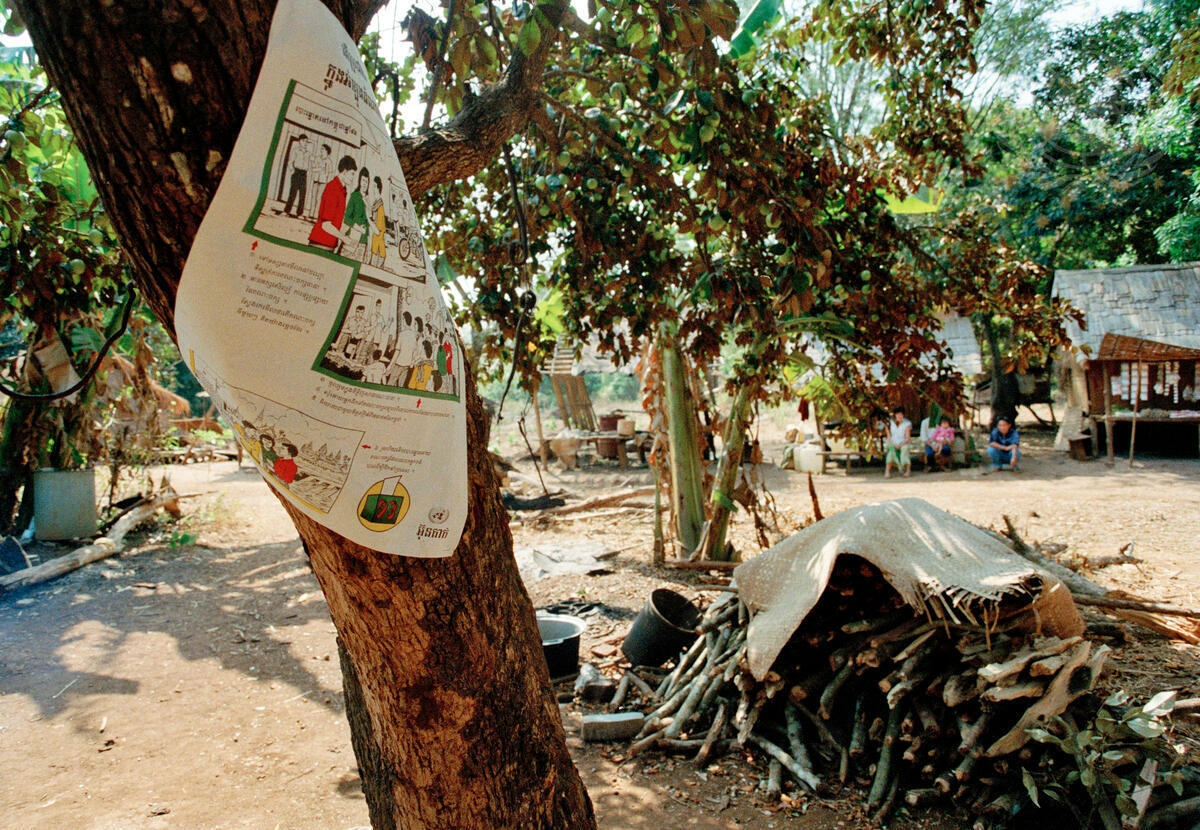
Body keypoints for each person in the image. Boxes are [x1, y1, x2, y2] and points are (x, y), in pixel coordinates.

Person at [308, 155, 359, 251]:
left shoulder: (342, 190)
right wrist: (344, 238)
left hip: (329, 244)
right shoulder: (333, 188)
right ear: (344, 171)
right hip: (320, 243)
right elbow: (326, 225)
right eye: (352, 174)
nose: (353, 178)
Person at [341, 167, 370, 261]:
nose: (365, 183)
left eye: (367, 181)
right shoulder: (354, 196)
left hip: (363, 241)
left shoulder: (368, 200)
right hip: (352, 237)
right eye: (363, 180)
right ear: (359, 181)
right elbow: (347, 218)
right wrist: (358, 228)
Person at [281, 134, 310, 217]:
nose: (305, 143)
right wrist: (292, 170)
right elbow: (290, 162)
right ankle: (287, 211)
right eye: (303, 141)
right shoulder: (295, 150)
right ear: (299, 141)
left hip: (304, 174)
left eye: (306, 141)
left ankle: (299, 213)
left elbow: (309, 164)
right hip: (296, 172)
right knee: (293, 192)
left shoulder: (308, 153)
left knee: (302, 193)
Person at [884, 406, 912, 478]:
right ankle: (887, 471)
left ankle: (908, 471)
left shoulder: (907, 423)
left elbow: (908, 438)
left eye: (901, 414)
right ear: (895, 415)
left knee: (905, 449)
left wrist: (901, 444)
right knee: (891, 451)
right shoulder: (889, 423)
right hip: (893, 442)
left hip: (903, 442)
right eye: (898, 414)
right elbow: (889, 437)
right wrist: (895, 444)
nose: (899, 416)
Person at [307, 143, 333, 219]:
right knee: (313, 197)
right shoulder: (317, 158)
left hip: (323, 182)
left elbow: (329, 172)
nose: (321, 150)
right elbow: (313, 168)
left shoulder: (328, 161)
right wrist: (320, 169)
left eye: (322, 149)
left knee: (319, 198)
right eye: (321, 149)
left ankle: (316, 215)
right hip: (316, 180)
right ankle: (311, 214)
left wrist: (323, 171)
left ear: (326, 151)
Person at [369, 176, 387, 267]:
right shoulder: (376, 204)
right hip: (375, 246)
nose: (372, 189)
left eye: (374, 186)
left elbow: (378, 230)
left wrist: (369, 219)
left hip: (378, 250)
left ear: (378, 188)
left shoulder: (380, 207)